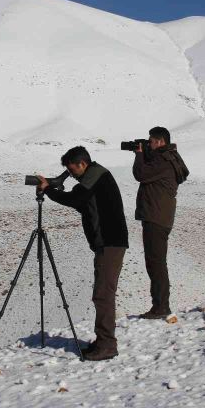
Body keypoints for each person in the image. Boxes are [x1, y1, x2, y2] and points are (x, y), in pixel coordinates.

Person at [38, 146, 128, 361]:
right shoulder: (95, 177)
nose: (71, 175)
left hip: (110, 243)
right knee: (102, 294)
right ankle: (103, 341)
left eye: (72, 170)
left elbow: (75, 200)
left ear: (82, 164)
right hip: (107, 243)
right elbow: (85, 205)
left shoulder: (95, 175)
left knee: (103, 295)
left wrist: (49, 189)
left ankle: (107, 345)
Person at [132, 126, 189, 319]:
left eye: (151, 141)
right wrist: (146, 153)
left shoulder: (164, 161)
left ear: (160, 142)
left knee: (155, 263)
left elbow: (140, 174)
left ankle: (161, 307)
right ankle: (160, 305)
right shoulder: (169, 158)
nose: (149, 144)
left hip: (155, 217)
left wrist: (139, 154)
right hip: (160, 217)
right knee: (157, 262)